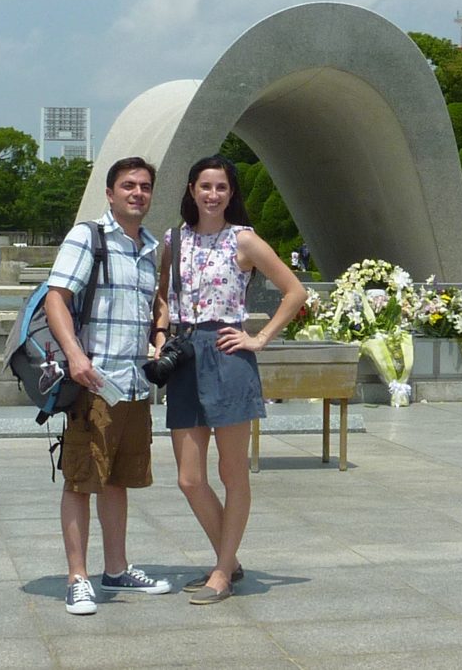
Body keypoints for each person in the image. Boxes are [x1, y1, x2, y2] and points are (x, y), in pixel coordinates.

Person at [153, 155, 307, 605]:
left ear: (231, 193)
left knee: (231, 471)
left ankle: (222, 570)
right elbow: (163, 296)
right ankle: (231, 558)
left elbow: (295, 290)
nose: (213, 195)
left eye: (221, 187)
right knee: (188, 477)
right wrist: (161, 335)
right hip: (183, 355)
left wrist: (258, 337)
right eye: (205, 186)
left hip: (227, 352)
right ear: (191, 189)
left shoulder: (244, 240)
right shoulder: (174, 240)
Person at [45, 156, 171, 616]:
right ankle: (77, 576)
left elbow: (155, 308)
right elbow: (57, 298)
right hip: (94, 383)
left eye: (144, 187)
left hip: (135, 385)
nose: (137, 193)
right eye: (128, 186)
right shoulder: (89, 237)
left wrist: (159, 338)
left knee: (117, 478)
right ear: (110, 193)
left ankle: (116, 568)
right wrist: (76, 357)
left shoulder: (150, 247)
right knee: (81, 480)